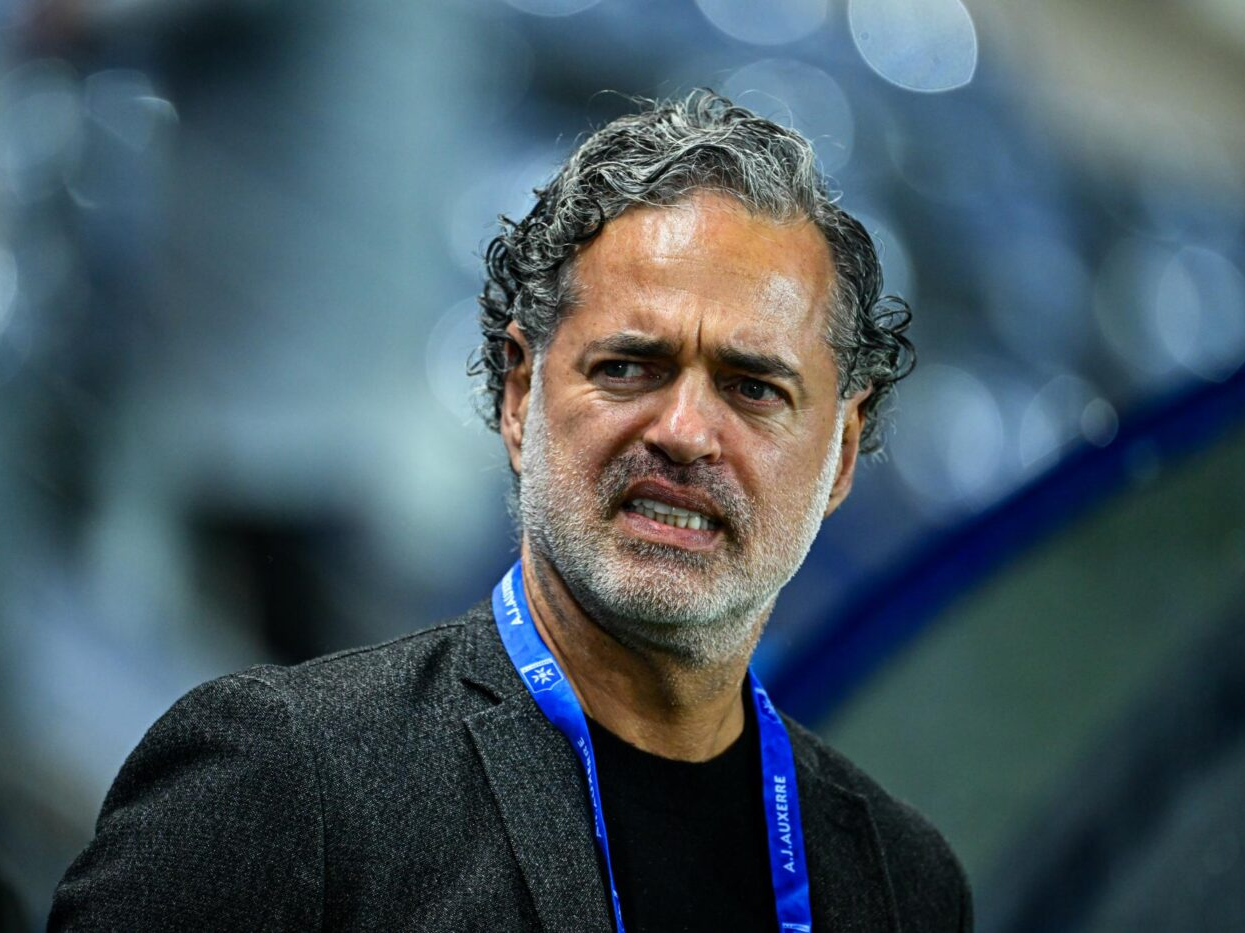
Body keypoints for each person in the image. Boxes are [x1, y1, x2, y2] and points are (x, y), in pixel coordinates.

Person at [50, 91, 972, 932]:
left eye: (753, 387)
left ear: (841, 451)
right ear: (520, 395)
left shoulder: (901, 882)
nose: (686, 432)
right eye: (630, 367)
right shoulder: (286, 780)